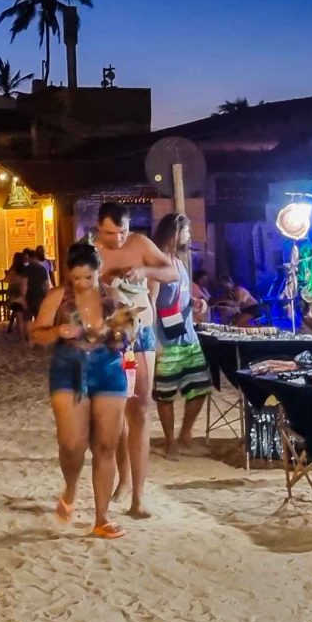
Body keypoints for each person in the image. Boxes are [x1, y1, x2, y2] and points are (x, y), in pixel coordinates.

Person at [30, 240, 131, 538]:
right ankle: (71, 487)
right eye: (76, 278)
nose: (83, 284)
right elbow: (37, 334)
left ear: (98, 271)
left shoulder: (113, 297)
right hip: (68, 369)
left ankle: (102, 517)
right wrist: (57, 331)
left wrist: (112, 333)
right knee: (72, 444)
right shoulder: (57, 297)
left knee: (105, 445)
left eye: (88, 277)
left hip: (109, 370)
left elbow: (127, 335)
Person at [92, 202, 180, 521]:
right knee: (114, 413)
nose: (118, 238)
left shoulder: (140, 243)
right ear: (98, 229)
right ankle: (122, 480)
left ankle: (138, 496)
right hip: (110, 331)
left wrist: (144, 271)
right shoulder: (89, 251)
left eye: (123, 231)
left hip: (140, 327)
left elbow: (170, 271)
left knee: (140, 409)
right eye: (111, 233)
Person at [150, 213, 213, 458]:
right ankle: (171, 443)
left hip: (188, 336)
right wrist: (154, 341)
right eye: (186, 231)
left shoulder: (180, 262)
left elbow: (183, 297)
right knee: (166, 395)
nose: (189, 235)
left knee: (200, 387)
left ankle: (185, 435)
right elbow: (152, 301)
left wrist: (196, 304)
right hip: (166, 338)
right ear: (175, 233)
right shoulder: (157, 264)